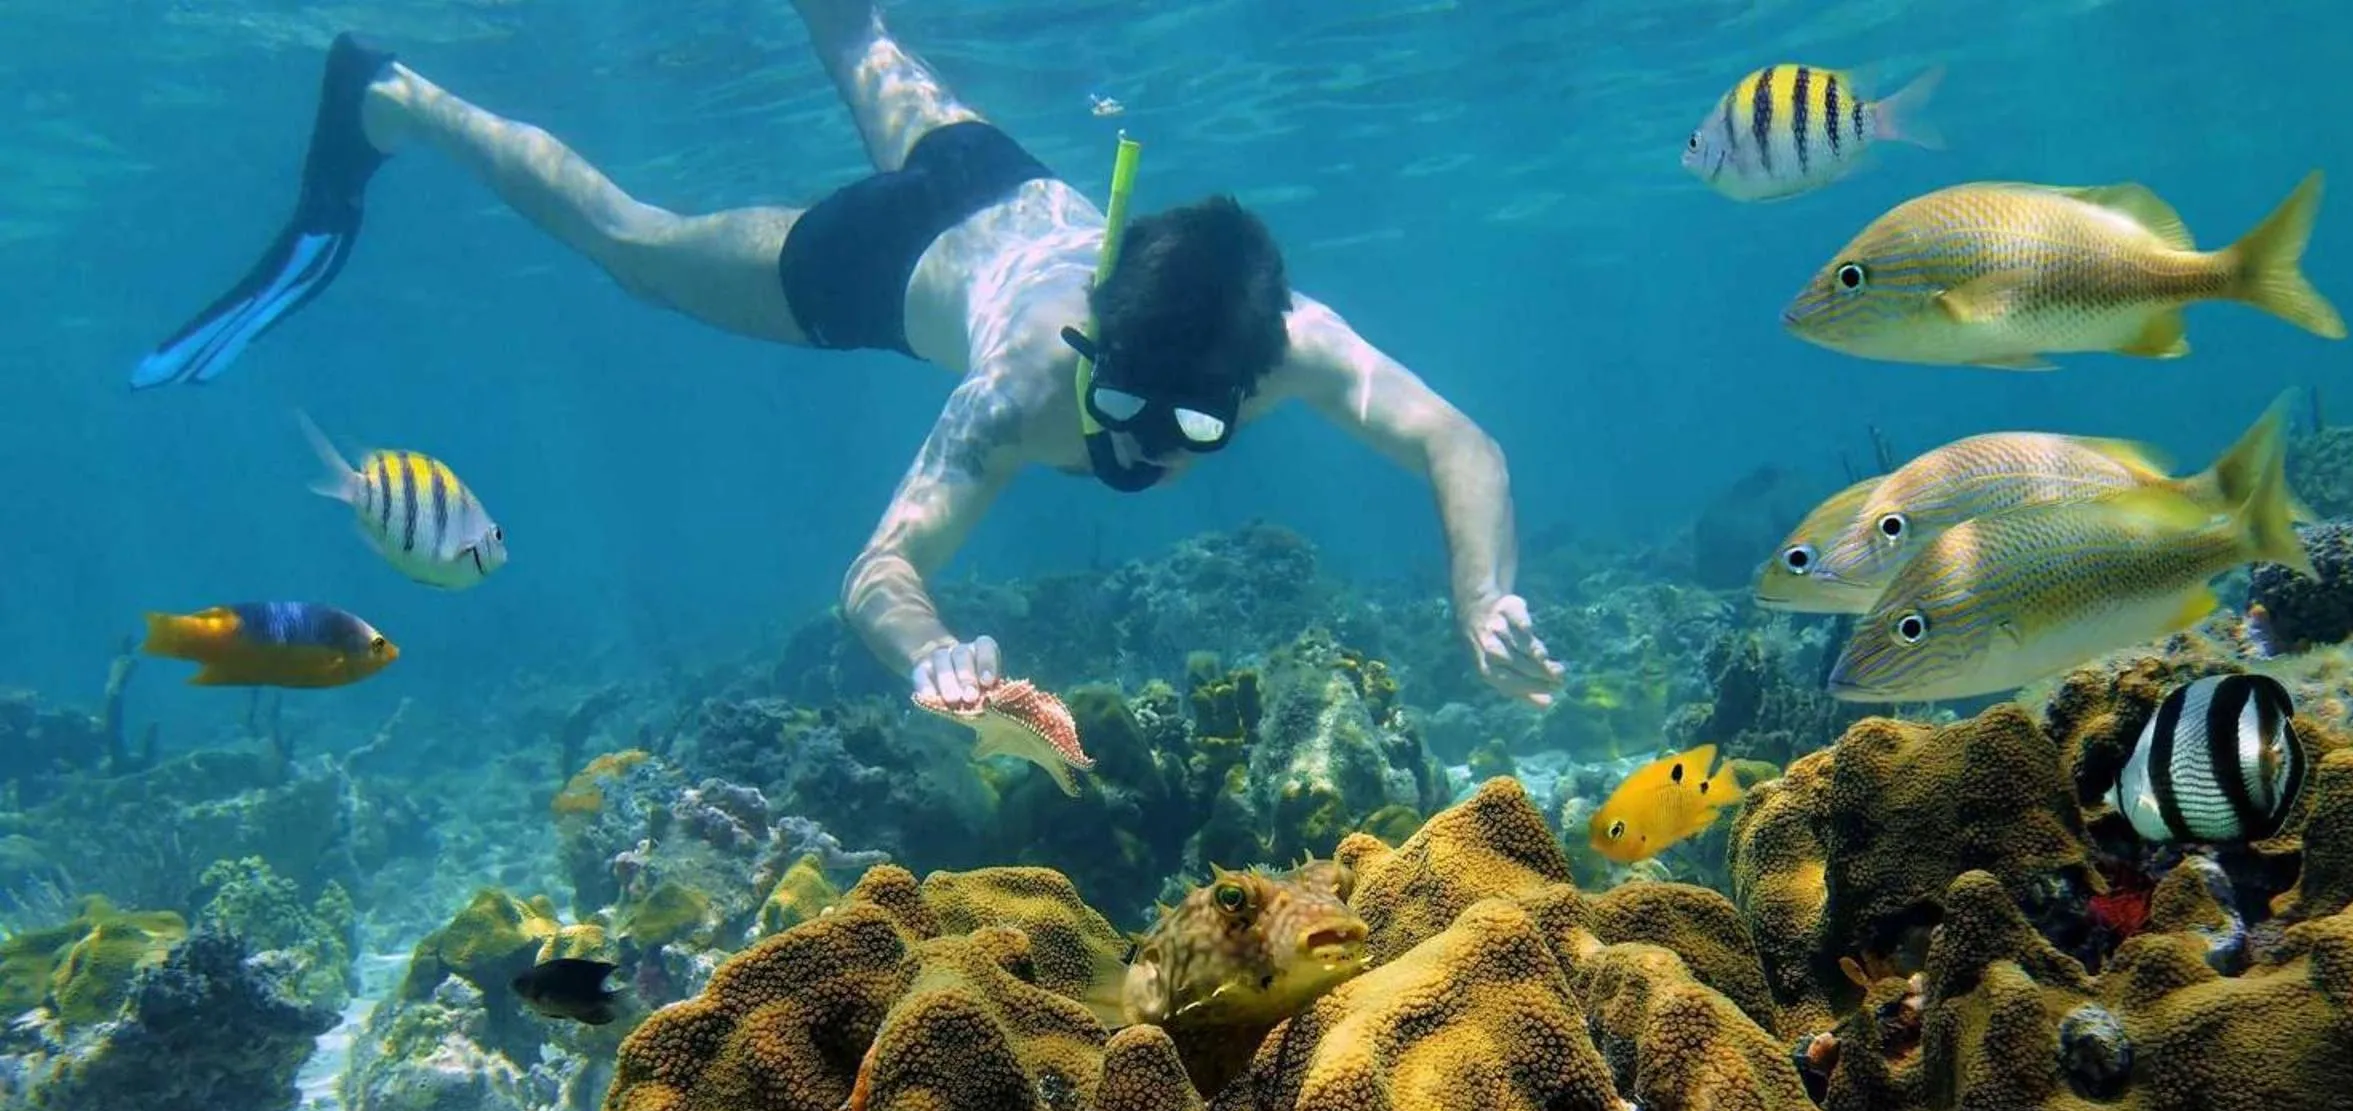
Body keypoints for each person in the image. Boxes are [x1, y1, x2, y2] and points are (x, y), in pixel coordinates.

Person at [132, 0, 1565, 713]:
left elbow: (1461, 443)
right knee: (635, 244)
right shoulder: (1018, 383)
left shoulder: (1289, 343)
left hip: (999, 175)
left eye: (1182, 435)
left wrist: (1482, 593)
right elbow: (878, 570)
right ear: (1096, 336)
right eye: (1116, 400)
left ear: (1251, 383)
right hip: (887, 262)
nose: (1130, 447)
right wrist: (934, 656)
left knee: (854, 25)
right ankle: (393, 98)